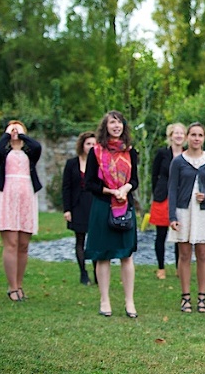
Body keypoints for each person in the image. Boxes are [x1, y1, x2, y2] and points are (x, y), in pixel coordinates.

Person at [84, 110, 139, 318]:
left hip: (125, 206)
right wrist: (110, 191)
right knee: (103, 256)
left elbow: (135, 181)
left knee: (126, 255)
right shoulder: (96, 152)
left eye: (119, 123)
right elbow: (89, 183)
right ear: (105, 127)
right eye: (112, 123)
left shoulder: (131, 152)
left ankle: (129, 301)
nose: (116, 126)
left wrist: (125, 189)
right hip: (102, 206)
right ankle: (105, 300)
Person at [167, 122, 205, 313]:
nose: (196, 138)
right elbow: (172, 189)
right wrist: (172, 215)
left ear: (203, 138)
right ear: (188, 137)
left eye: (200, 135)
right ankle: (185, 297)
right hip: (184, 211)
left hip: (204, 211)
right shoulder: (179, 161)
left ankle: (202, 297)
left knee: (202, 254)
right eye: (193, 135)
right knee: (184, 254)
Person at [0, 120, 42, 302]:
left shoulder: (30, 151)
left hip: (26, 197)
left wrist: (23, 136)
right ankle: (11, 287)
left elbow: (37, 146)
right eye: (12, 128)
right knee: (11, 243)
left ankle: (19, 285)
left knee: (23, 245)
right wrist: (7, 136)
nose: (15, 131)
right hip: (7, 197)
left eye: (18, 128)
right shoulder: (4, 152)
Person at [150, 123, 186, 279]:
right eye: (175, 133)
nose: (178, 136)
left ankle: (180, 268)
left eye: (181, 133)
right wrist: (156, 192)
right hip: (163, 197)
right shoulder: (162, 153)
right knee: (161, 235)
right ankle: (161, 267)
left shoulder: (188, 154)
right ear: (170, 136)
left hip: (181, 198)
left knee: (180, 235)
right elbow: (154, 175)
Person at [62, 131, 97, 285]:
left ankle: (98, 273)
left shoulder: (99, 163)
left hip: (94, 204)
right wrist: (67, 209)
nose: (91, 147)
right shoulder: (72, 163)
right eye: (88, 143)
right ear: (82, 145)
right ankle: (83, 273)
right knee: (80, 240)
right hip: (77, 205)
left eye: (94, 144)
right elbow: (66, 188)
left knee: (96, 241)